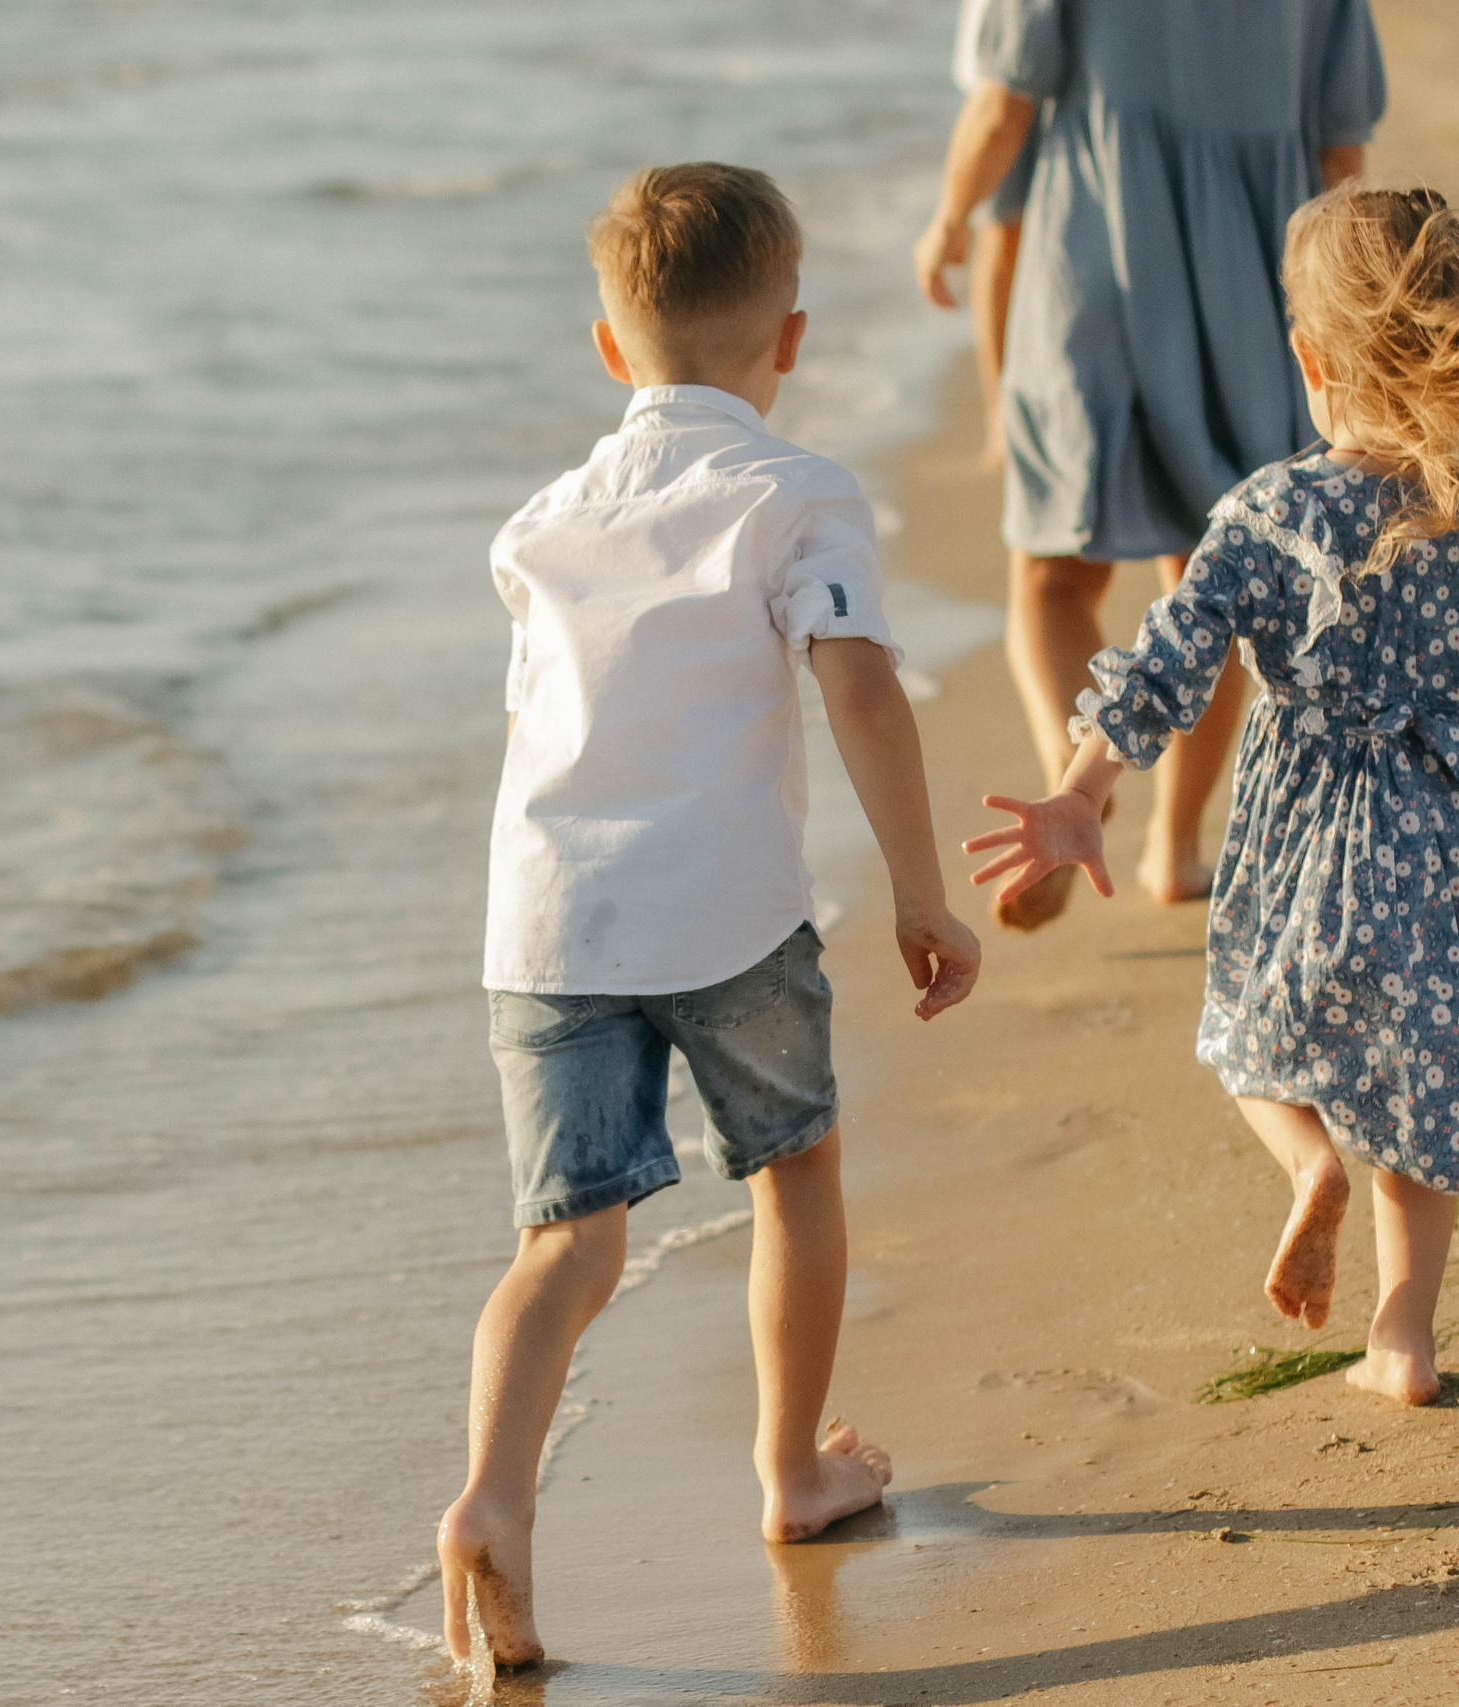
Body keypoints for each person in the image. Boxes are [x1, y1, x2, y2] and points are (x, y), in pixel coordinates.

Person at [964, 188, 1459, 1406]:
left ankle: (1308, 1169)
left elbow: (1165, 664)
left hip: (1312, 835)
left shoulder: (1269, 515)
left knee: (1250, 1036)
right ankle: (1402, 1335)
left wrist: (1085, 789)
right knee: (1430, 1083)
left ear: (1309, 359)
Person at [438, 163, 983, 1671]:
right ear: (789, 340)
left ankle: (492, 1493)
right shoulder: (795, 493)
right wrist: (923, 890)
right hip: (728, 909)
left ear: (610, 350)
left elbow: (527, 723)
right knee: (794, 1171)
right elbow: (859, 682)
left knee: (565, 1245)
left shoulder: (539, 525)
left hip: (548, 922)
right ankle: (794, 1467)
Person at [916, 0, 1388, 926]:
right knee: (1215, 587)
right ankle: (1174, 850)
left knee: (1052, 579)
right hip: (1258, 280)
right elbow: (1342, 151)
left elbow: (1006, 102)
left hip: (1095, 260)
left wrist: (947, 221)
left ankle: (1076, 785)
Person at [952, 0, 1039, 469]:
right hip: (1005, 72)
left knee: (1002, 235)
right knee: (1001, 233)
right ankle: (1000, 414)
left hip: (1032, 72)